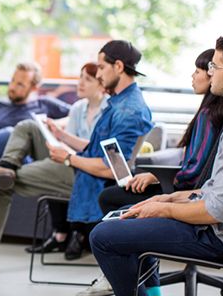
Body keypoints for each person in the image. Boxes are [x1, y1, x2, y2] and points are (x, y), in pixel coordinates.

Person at [89, 35, 223, 296]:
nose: (209, 71)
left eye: (213, 66)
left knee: (103, 237)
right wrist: (168, 198)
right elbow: (217, 190)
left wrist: (162, 210)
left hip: (217, 238)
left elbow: (215, 211)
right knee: (134, 218)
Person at [76, 49, 223, 296]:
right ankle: (147, 295)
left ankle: (127, 283)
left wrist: (162, 184)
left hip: (189, 195)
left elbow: (195, 170)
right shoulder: (214, 111)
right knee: (116, 201)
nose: (193, 76)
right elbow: (194, 160)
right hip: (194, 192)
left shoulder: (209, 115)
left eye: (199, 70)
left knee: (111, 204)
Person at [0, 62, 109, 274]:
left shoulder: (109, 112)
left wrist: (65, 145)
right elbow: (69, 142)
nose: (80, 82)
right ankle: (7, 166)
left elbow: (98, 153)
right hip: (66, 159)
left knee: (2, 187)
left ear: (102, 85)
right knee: (27, 126)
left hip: (84, 170)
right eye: (80, 77)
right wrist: (56, 133)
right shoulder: (78, 108)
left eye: (88, 79)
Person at [44, 40, 153, 263]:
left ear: (119, 67)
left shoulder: (126, 111)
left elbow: (112, 168)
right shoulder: (118, 103)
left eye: (102, 68)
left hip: (98, 179)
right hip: (87, 169)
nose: (99, 74)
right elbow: (100, 149)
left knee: (16, 177)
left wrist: (68, 158)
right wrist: (62, 136)